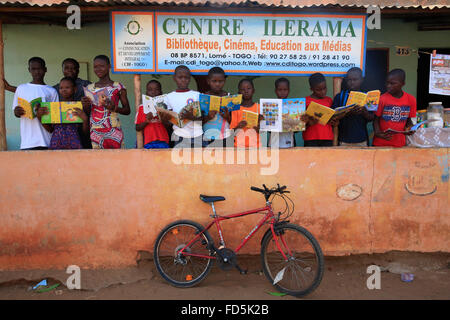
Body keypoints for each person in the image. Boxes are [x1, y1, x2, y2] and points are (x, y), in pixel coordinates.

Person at [81, 55, 131, 149]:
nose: (98, 69)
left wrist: (114, 108)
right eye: (95, 67)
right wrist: (85, 105)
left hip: (113, 128)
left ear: (109, 66)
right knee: (99, 160)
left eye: (101, 66)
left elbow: (127, 110)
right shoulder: (89, 88)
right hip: (95, 130)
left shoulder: (118, 87)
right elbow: (88, 112)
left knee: (118, 158)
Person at [12, 57, 59, 150]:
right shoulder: (21, 88)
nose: (37, 72)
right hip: (27, 142)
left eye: (40, 69)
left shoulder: (51, 91)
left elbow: (55, 119)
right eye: (33, 69)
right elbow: (15, 112)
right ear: (29, 70)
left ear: (45, 70)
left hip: (47, 141)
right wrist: (17, 112)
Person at [36, 77, 89, 150]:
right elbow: (50, 129)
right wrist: (40, 117)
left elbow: (85, 133)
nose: (64, 90)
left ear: (75, 89)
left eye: (67, 87)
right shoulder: (54, 107)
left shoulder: (80, 107)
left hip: (75, 145)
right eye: (61, 88)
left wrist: (85, 119)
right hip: (56, 144)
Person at [373, 69, 416, 147]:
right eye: (387, 83)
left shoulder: (411, 99)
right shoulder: (382, 99)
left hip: (399, 143)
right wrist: (377, 133)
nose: (388, 86)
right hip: (381, 143)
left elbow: (408, 120)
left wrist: (410, 129)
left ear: (403, 84)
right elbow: (376, 119)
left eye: (392, 83)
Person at [163, 65, 204, 148]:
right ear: (174, 78)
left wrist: (192, 117)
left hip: (198, 135)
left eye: (186, 78)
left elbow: (203, 118)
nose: (183, 80)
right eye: (180, 77)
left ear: (190, 79)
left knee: (199, 160)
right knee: (181, 160)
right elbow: (167, 123)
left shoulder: (197, 95)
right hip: (179, 136)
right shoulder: (168, 97)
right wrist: (165, 118)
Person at [332, 67, 374, 147]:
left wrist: (364, 112)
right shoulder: (340, 96)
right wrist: (348, 112)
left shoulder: (368, 97)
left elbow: (371, 118)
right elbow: (333, 117)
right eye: (349, 80)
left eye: (355, 80)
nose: (352, 82)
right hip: (343, 139)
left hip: (361, 139)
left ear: (361, 80)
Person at [301, 73, 336, 147]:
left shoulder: (329, 100)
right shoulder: (305, 101)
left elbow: (332, 118)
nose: (323, 91)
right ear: (311, 89)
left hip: (327, 137)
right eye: (318, 90)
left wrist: (333, 121)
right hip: (310, 137)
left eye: (324, 88)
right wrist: (308, 122)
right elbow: (300, 123)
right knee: (310, 158)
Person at [202, 67, 233, 147]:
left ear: (224, 81)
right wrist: (208, 117)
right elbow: (198, 121)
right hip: (208, 136)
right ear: (208, 81)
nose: (217, 84)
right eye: (214, 81)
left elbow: (232, 121)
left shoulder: (229, 97)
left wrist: (227, 117)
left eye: (220, 81)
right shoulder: (203, 97)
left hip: (225, 136)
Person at [135, 80, 170, 149]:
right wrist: (146, 121)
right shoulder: (142, 108)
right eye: (150, 90)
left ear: (161, 93)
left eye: (156, 90)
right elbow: (137, 127)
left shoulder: (165, 107)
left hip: (163, 140)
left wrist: (162, 118)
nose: (153, 92)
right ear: (146, 93)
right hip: (148, 142)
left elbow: (170, 126)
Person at [229, 78, 262, 148]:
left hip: (256, 146)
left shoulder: (259, 108)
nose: (246, 91)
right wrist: (239, 126)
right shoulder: (236, 109)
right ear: (239, 93)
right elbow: (232, 133)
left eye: (248, 88)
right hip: (239, 146)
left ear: (253, 91)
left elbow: (265, 132)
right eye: (242, 89)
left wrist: (257, 128)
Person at [269, 78, 296, 149]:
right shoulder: (271, 107)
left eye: (285, 90)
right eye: (280, 90)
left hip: (290, 142)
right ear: (275, 91)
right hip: (273, 142)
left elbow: (297, 130)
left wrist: (300, 121)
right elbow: (268, 129)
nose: (282, 92)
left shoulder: (294, 107)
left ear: (289, 90)